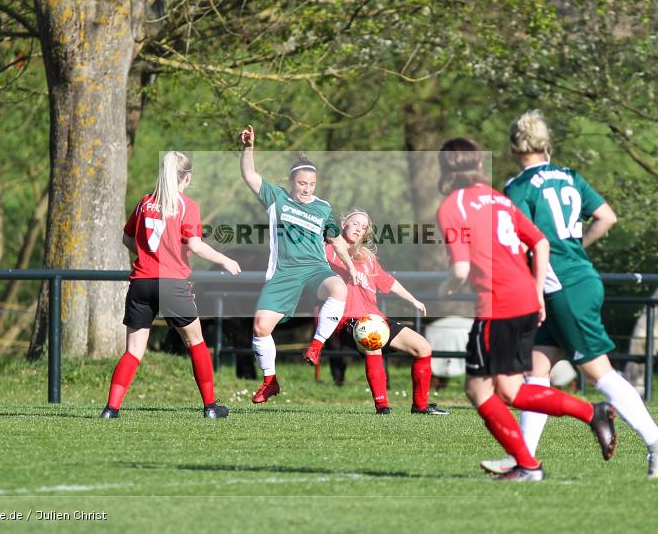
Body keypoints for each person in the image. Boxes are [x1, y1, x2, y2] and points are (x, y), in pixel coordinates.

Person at [481, 110, 658, 478]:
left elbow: (524, 243)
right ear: (546, 144)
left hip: (558, 286)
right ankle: (525, 461)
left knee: (599, 372)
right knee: (536, 371)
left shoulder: (519, 187)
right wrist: (578, 248)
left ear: (513, 146)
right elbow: (607, 216)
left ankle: (656, 440)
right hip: (575, 277)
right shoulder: (569, 176)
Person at [436, 137, 617, 482]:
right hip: (525, 299)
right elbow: (540, 241)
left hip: (498, 304)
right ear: (477, 164)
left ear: (445, 167)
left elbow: (459, 270)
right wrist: (535, 292)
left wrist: (443, 290)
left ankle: (530, 464)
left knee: (479, 390)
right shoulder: (499, 199)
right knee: (510, 389)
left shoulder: (453, 205)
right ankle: (589, 415)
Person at [100, 151, 241, 420]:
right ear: (187, 177)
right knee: (197, 343)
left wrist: (144, 256)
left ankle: (111, 409)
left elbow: (127, 238)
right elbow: (195, 245)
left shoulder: (143, 203)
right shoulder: (187, 206)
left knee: (133, 351)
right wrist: (225, 260)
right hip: (172, 284)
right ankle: (210, 407)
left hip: (141, 284)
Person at [239, 125, 359, 403]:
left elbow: (336, 240)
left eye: (311, 185)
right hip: (283, 273)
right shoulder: (276, 198)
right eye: (302, 183)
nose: (306, 189)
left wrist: (350, 267)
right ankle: (270, 382)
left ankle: (316, 346)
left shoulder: (323, 208)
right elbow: (249, 175)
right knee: (260, 327)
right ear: (292, 181)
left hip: (315, 270)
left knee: (338, 289)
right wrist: (248, 147)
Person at [303, 209, 450, 415]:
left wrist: (413, 300)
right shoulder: (326, 251)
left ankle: (420, 406)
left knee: (423, 347)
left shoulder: (367, 258)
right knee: (372, 341)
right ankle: (382, 407)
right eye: (355, 223)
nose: (358, 228)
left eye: (363, 227)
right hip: (347, 320)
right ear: (344, 223)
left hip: (375, 318)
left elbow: (388, 282)